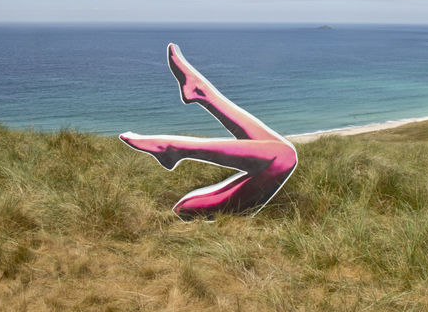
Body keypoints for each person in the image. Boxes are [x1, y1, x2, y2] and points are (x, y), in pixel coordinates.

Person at [119, 43, 298, 220]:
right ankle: (200, 94)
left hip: (199, 207)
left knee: (283, 155)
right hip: (209, 206)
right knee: (283, 154)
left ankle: (189, 116)